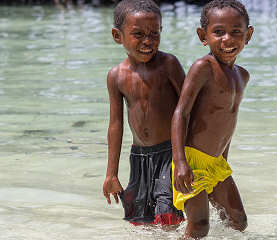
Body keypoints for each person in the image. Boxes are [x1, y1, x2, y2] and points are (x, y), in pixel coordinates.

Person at [171, 0, 254, 238]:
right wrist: (180, 162)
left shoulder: (242, 75)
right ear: (203, 36)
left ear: (248, 35)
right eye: (218, 32)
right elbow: (181, 112)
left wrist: (224, 161)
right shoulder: (203, 67)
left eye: (236, 32)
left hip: (216, 163)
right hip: (192, 160)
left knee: (238, 221)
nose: (227, 39)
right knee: (199, 227)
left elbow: (228, 121)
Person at [102, 0, 185, 226]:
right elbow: (115, 125)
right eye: (138, 34)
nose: (148, 41)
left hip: (171, 153)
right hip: (138, 156)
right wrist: (111, 174)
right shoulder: (116, 76)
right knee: (140, 219)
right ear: (117, 36)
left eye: (154, 34)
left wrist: (186, 158)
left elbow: (188, 109)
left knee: (168, 215)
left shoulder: (168, 64)